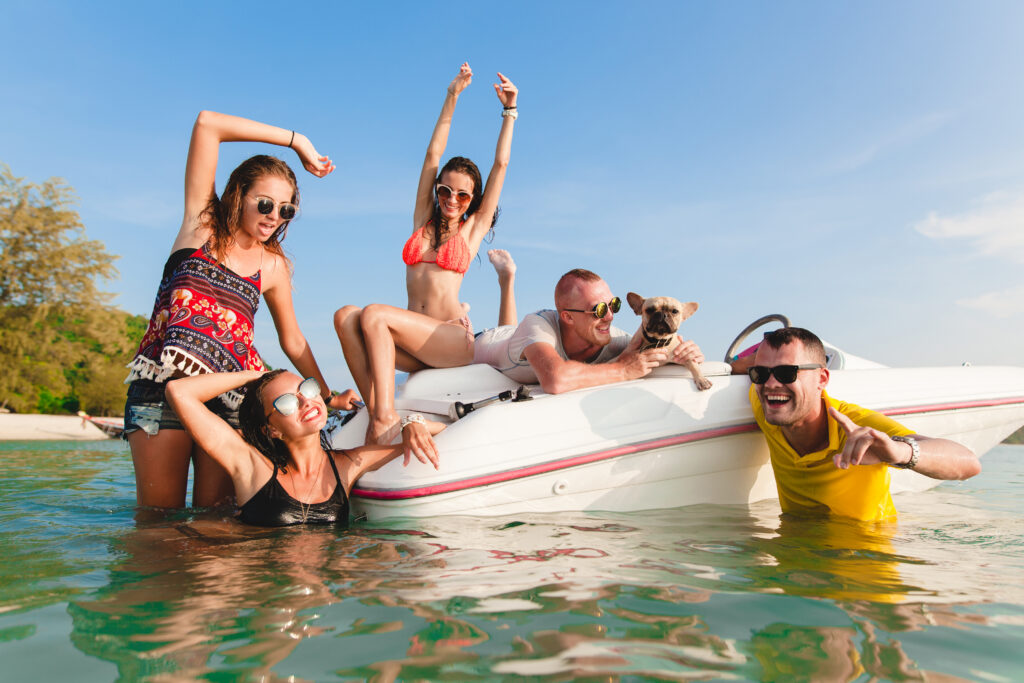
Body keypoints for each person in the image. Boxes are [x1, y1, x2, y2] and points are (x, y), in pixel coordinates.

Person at [124, 111, 359, 510]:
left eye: (286, 210)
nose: (274, 216)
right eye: (266, 203)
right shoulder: (202, 227)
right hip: (161, 391)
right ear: (239, 194)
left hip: (232, 400)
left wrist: (325, 393)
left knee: (216, 525)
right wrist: (297, 140)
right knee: (157, 527)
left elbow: (293, 340)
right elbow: (206, 125)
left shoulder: (273, 266)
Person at [334, 63, 518, 449]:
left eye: (462, 195)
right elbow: (433, 152)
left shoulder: (472, 229)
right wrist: (452, 95)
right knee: (346, 317)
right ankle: (376, 411)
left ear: (472, 202)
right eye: (446, 191)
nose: (452, 200)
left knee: (375, 313)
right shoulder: (422, 219)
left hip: (450, 340)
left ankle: (384, 417)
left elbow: (500, 165)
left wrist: (509, 113)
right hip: (416, 343)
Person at [748, 327, 981, 521]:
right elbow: (740, 366)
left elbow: (969, 463)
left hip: (864, 556)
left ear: (822, 379)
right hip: (794, 550)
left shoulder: (858, 425)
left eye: (786, 373)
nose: (770, 384)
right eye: (761, 373)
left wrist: (898, 451)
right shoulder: (767, 406)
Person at [165, 370, 443, 527]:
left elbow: (448, 436)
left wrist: (412, 422)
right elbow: (178, 391)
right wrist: (258, 374)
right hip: (252, 577)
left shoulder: (350, 463)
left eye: (307, 389)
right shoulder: (253, 468)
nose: (306, 402)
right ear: (271, 429)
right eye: (287, 402)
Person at [472, 268, 704, 394]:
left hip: (515, 337)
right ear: (568, 317)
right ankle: (507, 279)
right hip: (485, 342)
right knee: (504, 330)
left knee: (511, 329)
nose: (610, 316)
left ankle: (506, 279)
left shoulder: (616, 340)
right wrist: (622, 369)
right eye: (600, 309)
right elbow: (555, 380)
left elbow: (661, 349)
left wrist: (688, 354)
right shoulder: (538, 324)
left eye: (613, 305)